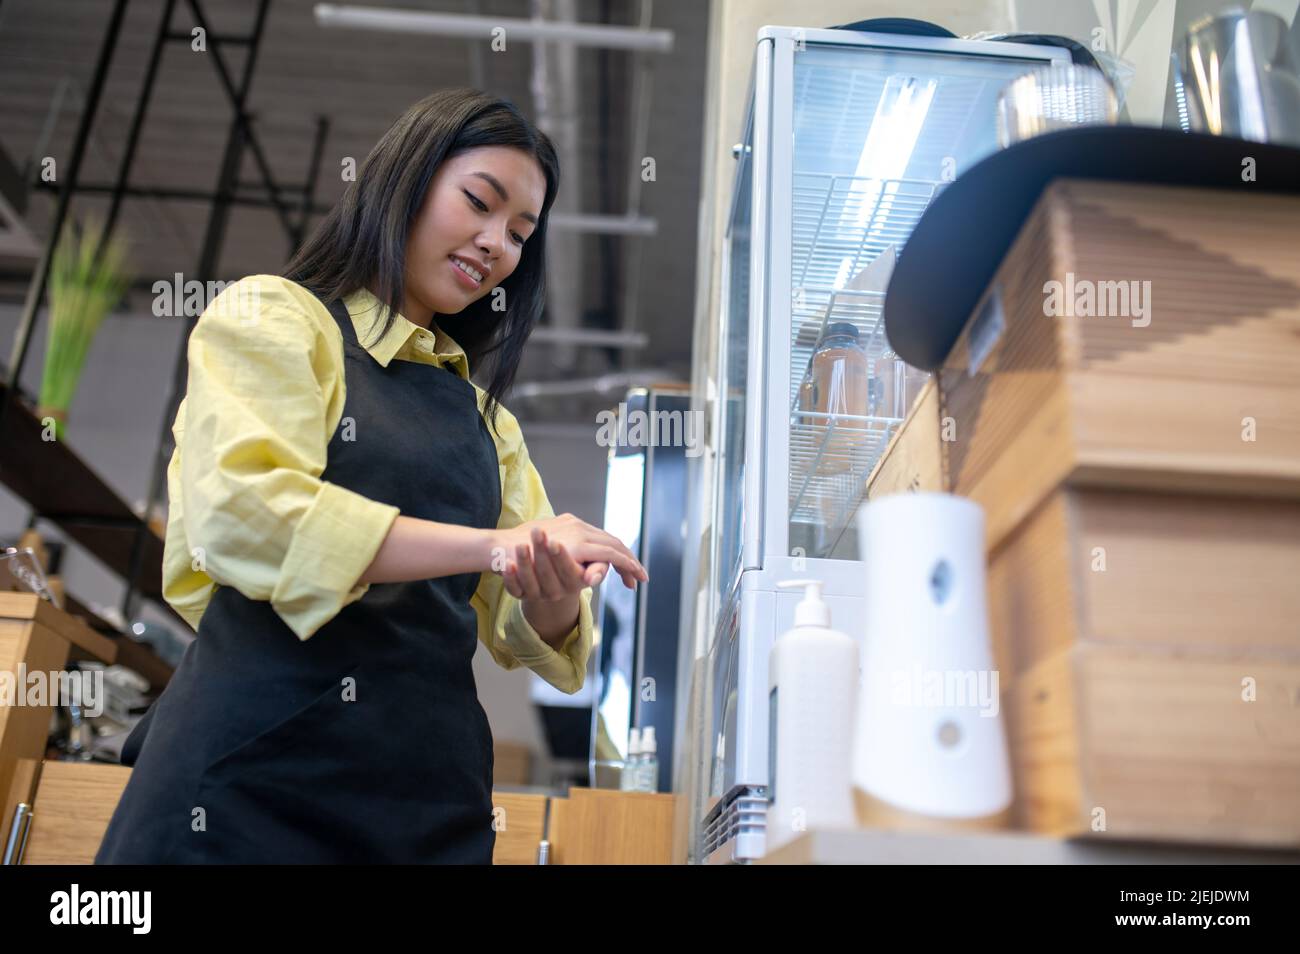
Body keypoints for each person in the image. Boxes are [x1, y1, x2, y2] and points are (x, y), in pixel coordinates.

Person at [95, 88, 647, 864]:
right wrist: (488, 546)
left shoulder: (491, 426)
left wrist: (549, 583)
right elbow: (249, 516)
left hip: (424, 797)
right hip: (248, 776)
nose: (497, 244)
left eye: (520, 233)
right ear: (406, 181)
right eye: (479, 204)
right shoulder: (277, 320)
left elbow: (531, 639)